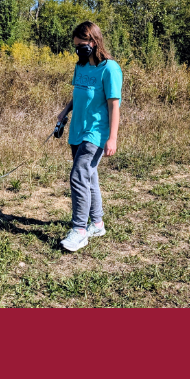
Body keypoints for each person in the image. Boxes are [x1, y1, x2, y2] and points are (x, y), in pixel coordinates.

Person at [55, 21, 122, 252]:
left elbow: (115, 106)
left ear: (94, 42)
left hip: (96, 132)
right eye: (75, 46)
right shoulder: (81, 67)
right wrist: (64, 113)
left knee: (78, 175)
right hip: (77, 130)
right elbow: (79, 94)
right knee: (89, 178)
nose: (78, 49)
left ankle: (80, 231)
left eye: (81, 45)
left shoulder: (110, 69)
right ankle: (97, 224)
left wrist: (112, 138)